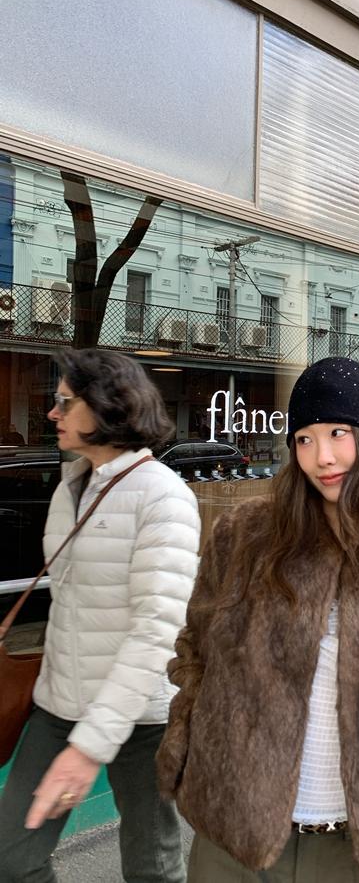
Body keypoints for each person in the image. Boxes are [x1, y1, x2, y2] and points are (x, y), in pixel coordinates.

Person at [156, 356, 359, 883]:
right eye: (305, 439)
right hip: (233, 834)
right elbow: (194, 649)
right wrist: (191, 739)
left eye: (338, 433)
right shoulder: (243, 537)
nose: (323, 457)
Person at [0, 348, 201, 883]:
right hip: (60, 701)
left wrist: (90, 747)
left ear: (107, 406)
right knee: (11, 858)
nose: (52, 412)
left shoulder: (164, 497)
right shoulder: (71, 486)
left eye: (65, 401)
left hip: (141, 715)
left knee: (152, 867)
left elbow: (156, 631)